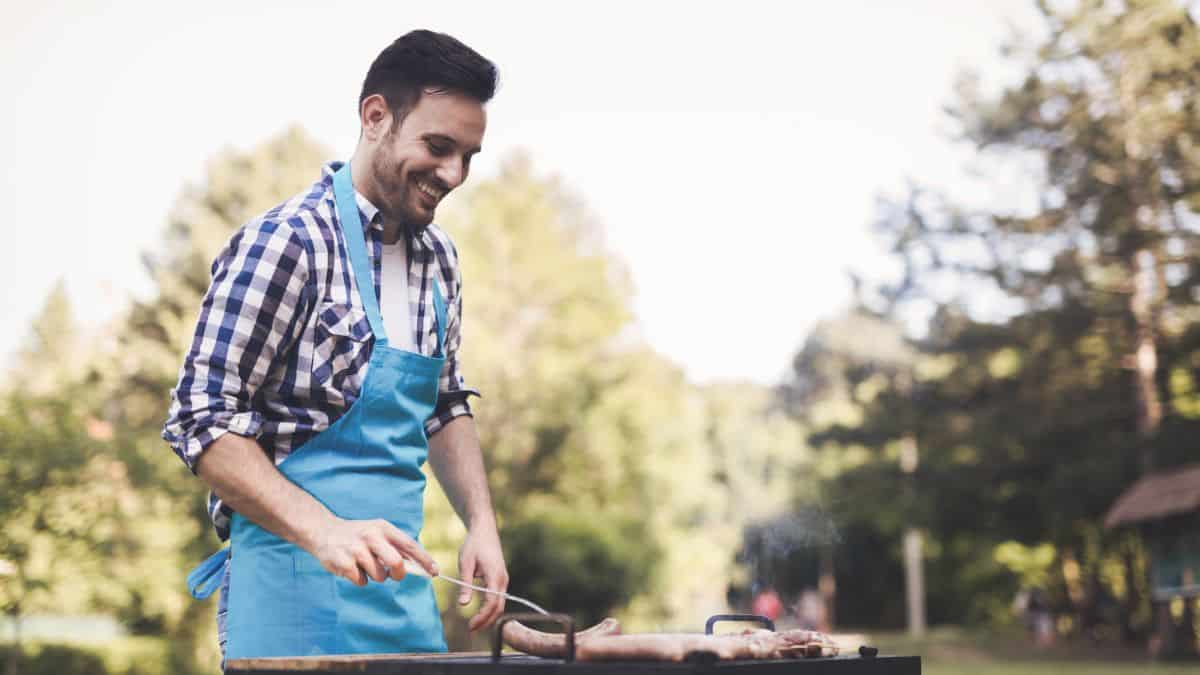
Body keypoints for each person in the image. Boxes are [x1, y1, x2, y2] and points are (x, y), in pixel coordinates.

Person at [163, 30, 507, 660]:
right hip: (294, 601)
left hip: (403, 604)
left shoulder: (441, 261)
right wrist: (323, 532)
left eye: (468, 155)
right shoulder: (287, 243)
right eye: (438, 146)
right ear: (376, 117)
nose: (454, 173)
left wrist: (480, 523)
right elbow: (200, 420)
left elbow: (444, 403)